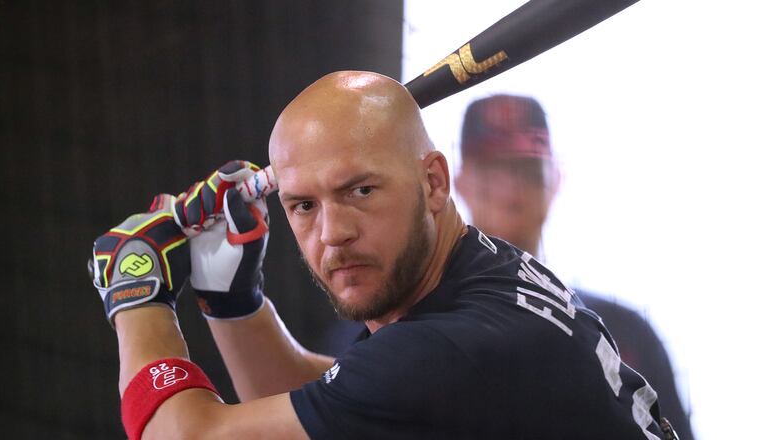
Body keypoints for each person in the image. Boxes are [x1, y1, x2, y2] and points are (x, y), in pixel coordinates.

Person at [90, 71, 677, 439]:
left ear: (434, 183)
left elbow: (186, 436)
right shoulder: (473, 275)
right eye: (302, 206)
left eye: (360, 191)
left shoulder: (457, 345)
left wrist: (134, 288)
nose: (333, 232)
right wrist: (233, 303)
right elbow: (343, 403)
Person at [454, 94, 693, 439]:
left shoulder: (623, 334)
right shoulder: (412, 331)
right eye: (492, 172)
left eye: (527, 172)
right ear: (457, 183)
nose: (511, 191)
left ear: (555, 179)